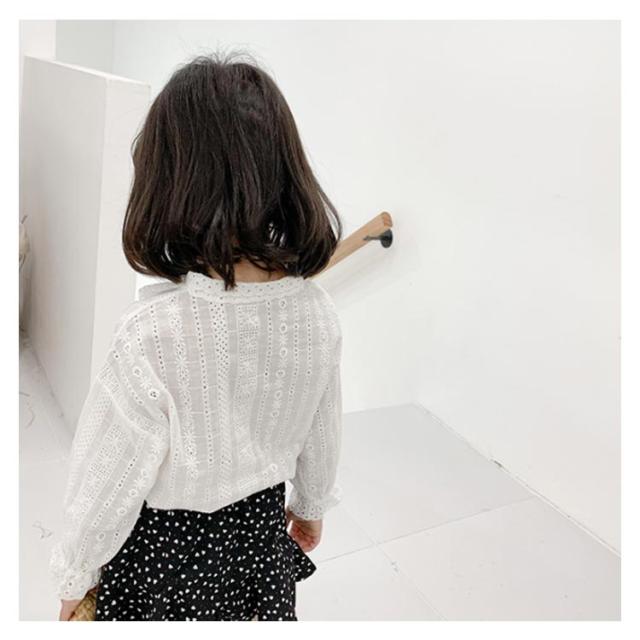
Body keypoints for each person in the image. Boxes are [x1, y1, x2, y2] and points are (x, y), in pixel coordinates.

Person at [50, 51, 344, 621]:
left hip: (165, 561)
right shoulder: (317, 312)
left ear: (168, 181)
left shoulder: (152, 335)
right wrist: (310, 506)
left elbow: (106, 481)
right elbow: (322, 429)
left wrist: (75, 576)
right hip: (260, 540)